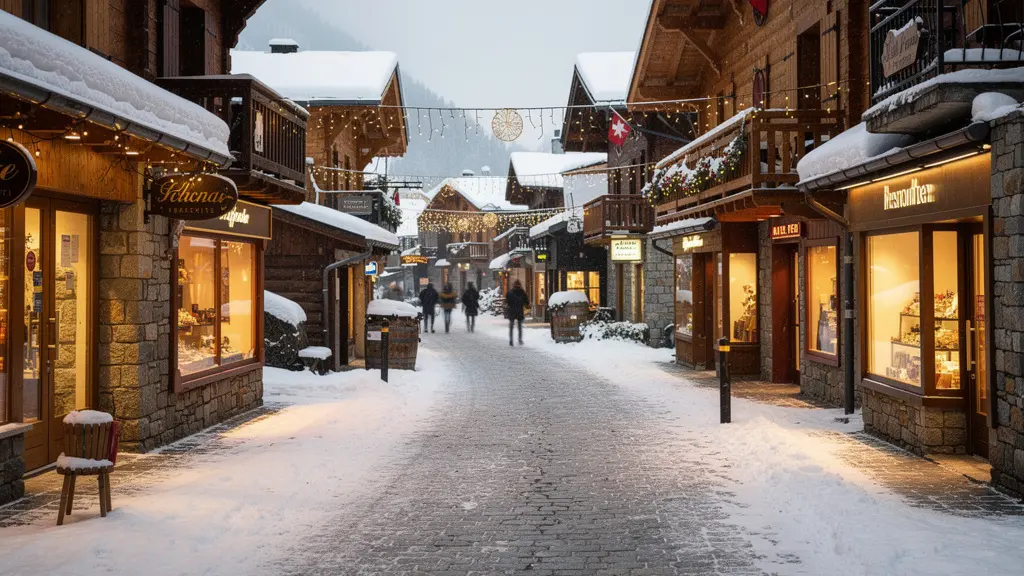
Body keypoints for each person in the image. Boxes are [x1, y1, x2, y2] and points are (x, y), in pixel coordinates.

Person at [505, 279, 529, 346]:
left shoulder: (509, 292)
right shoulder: (522, 292)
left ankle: (511, 340)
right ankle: (520, 340)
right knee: (519, 327)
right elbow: (527, 303)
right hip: (519, 311)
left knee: (511, 327)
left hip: (512, 311)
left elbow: (507, 302)